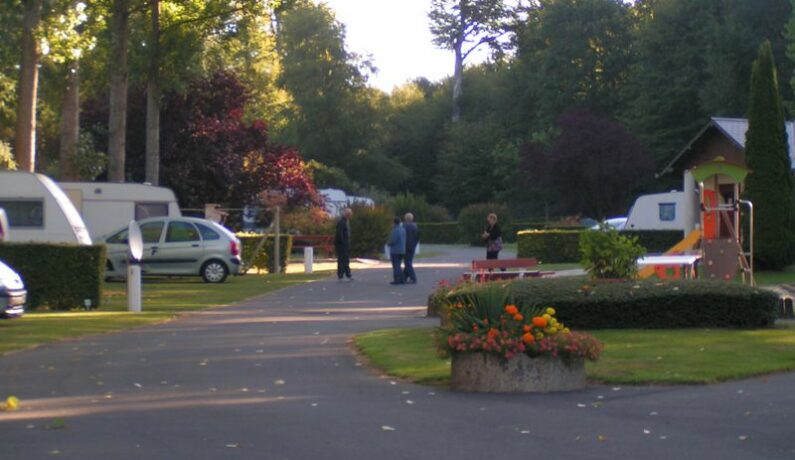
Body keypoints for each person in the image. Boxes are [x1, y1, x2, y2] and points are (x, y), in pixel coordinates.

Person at [334, 208, 353, 281]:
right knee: (342, 259)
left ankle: (347, 274)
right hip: (342, 244)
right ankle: (342, 274)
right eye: (349, 214)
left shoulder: (346, 222)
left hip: (345, 243)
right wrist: (343, 242)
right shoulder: (342, 222)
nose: (350, 216)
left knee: (345, 259)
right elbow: (339, 233)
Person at [387, 216, 406, 285]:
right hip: (402, 250)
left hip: (395, 250)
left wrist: (388, 243)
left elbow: (393, 240)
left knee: (396, 266)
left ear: (394, 223)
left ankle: (397, 280)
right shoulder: (403, 229)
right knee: (398, 265)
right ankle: (402, 279)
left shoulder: (395, 230)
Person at [402, 212, 419, 283]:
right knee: (408, 261)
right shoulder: (415, 226)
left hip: (406, 246)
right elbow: (418, 236)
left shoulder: (404, 226)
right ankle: (404, 277)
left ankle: (413, 277)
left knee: (407, 262)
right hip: (412, 246)